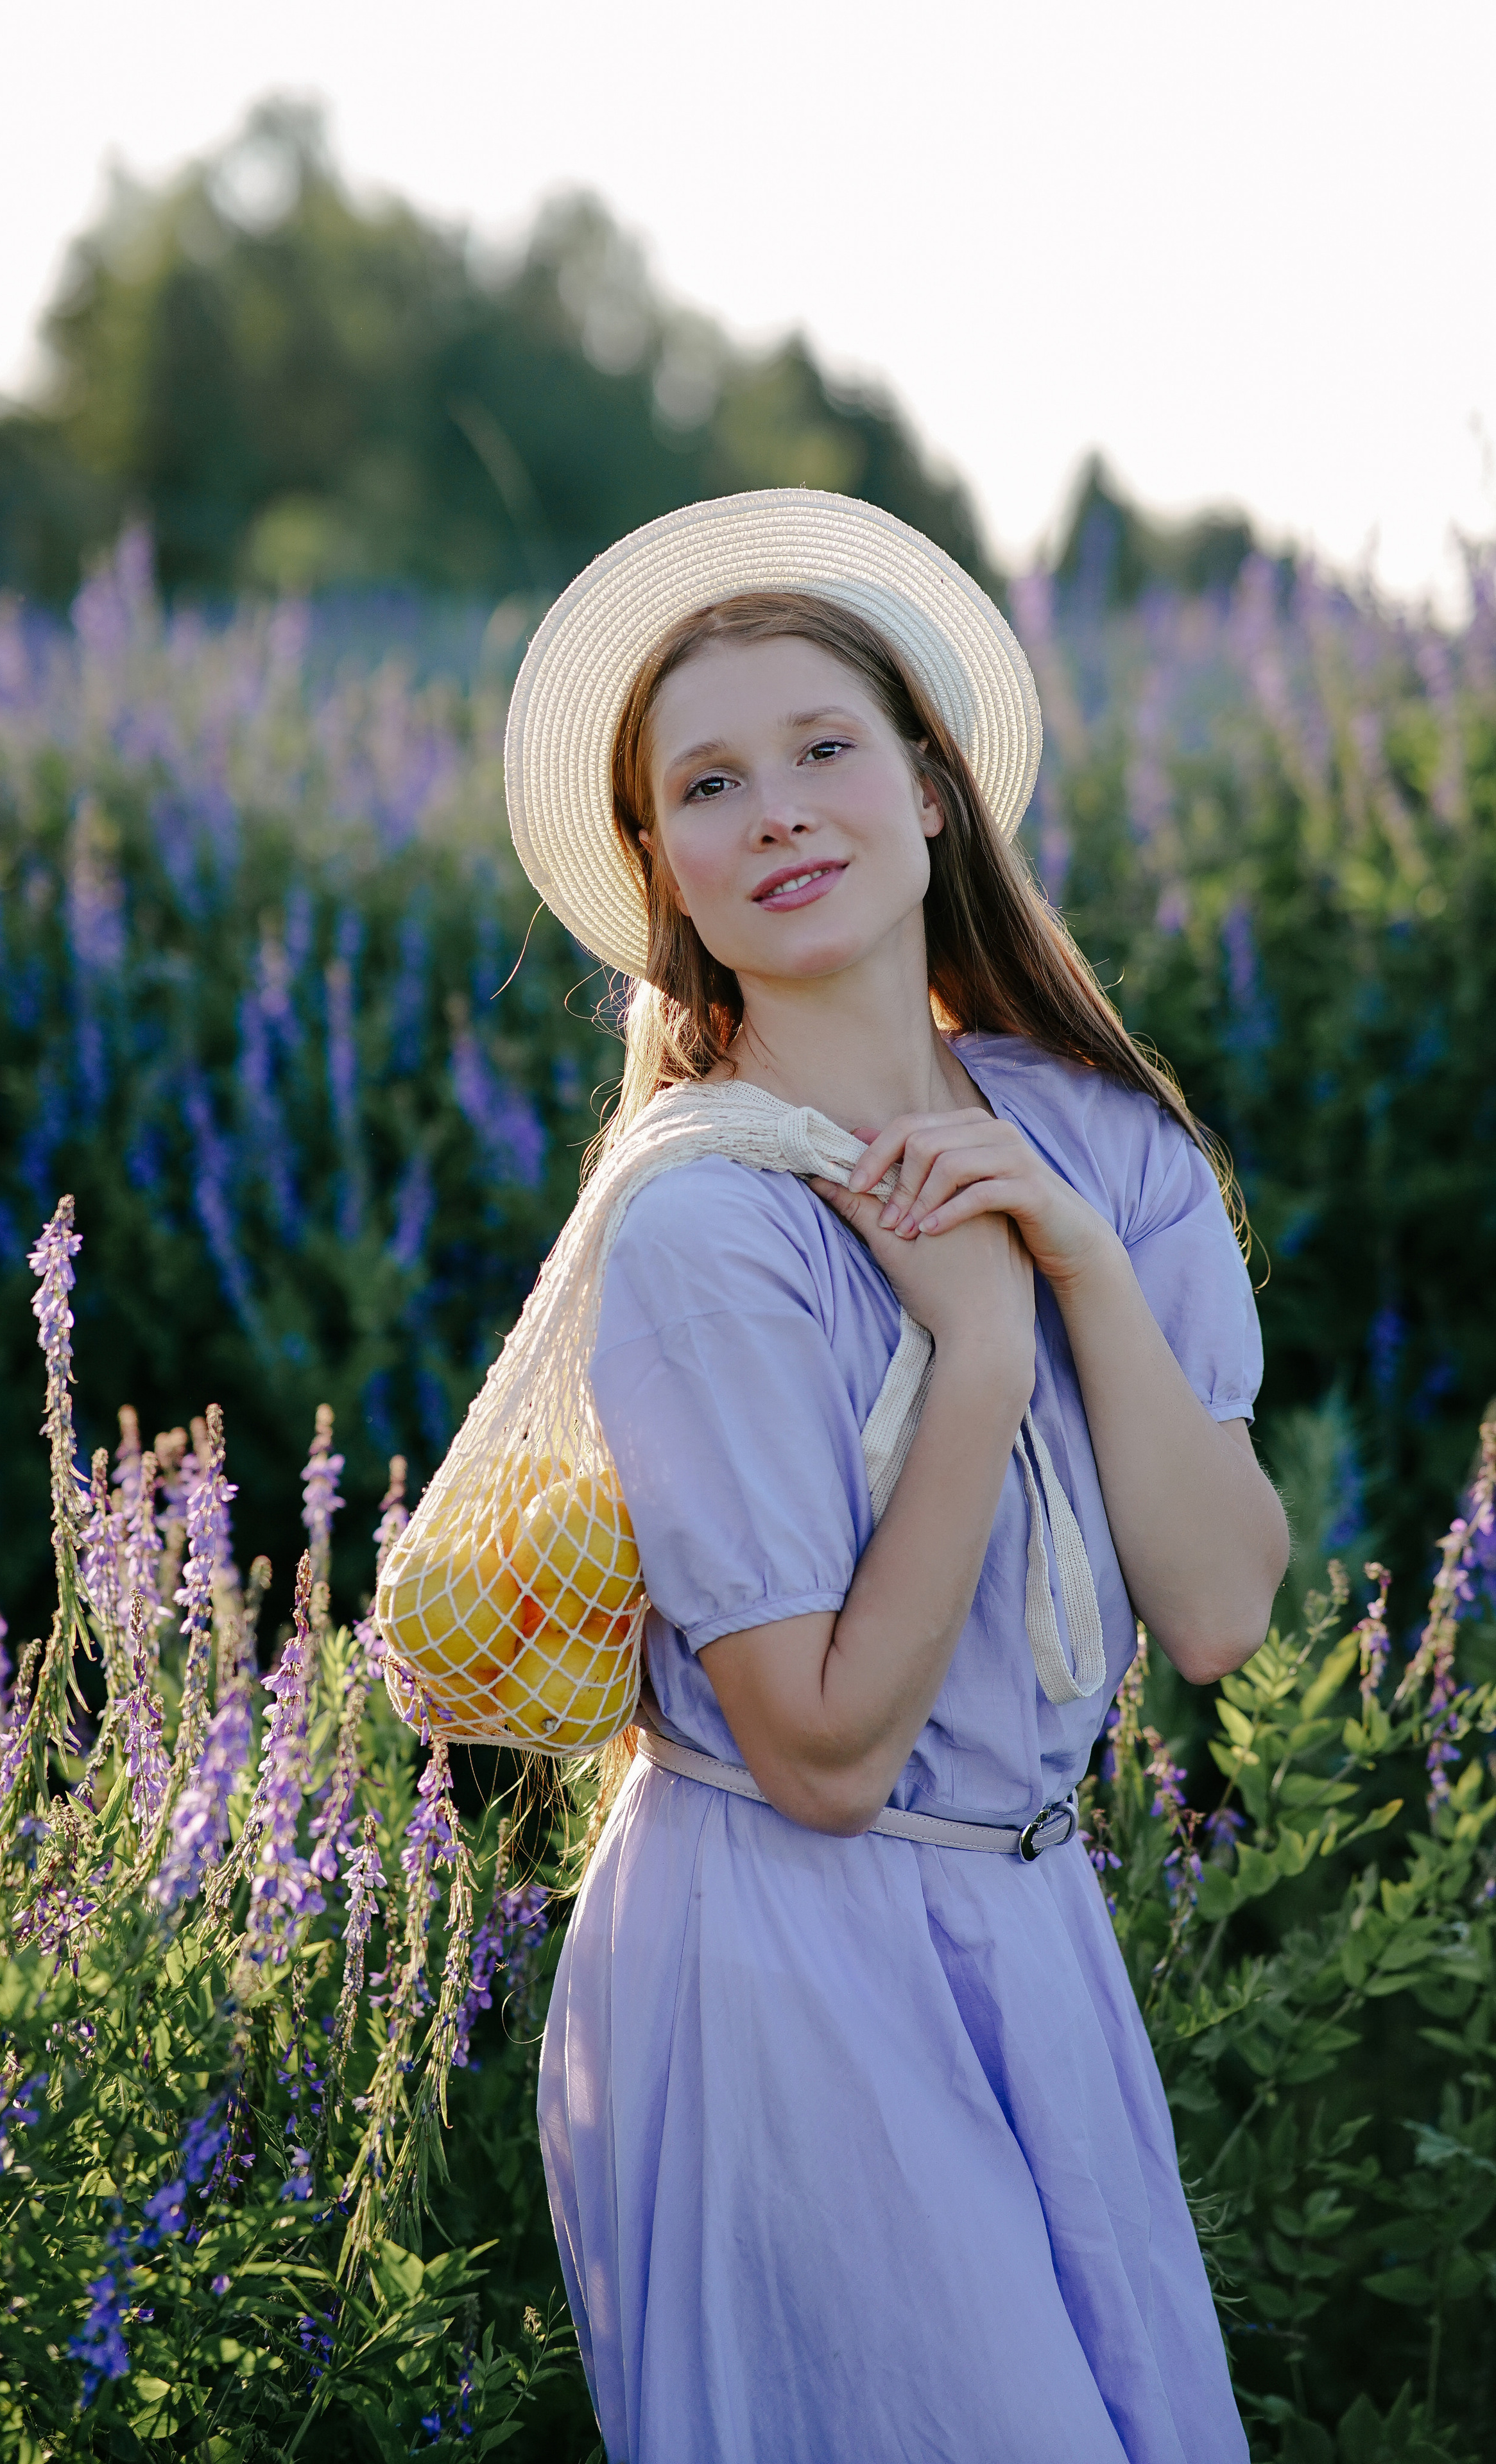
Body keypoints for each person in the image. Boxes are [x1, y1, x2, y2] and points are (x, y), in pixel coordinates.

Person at [499, 491, 1289, 2463]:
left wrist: (1077, 1263)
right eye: (709, 785)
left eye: (824, 748)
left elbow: (1217, 1611)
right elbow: (826, 1757)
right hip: (777, 1955)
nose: (777, 811)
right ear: (665, 869)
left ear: (933, 790)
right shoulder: (705, 1223)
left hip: (1029, 1927)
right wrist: (984, 1356)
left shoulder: (1106, 1146)